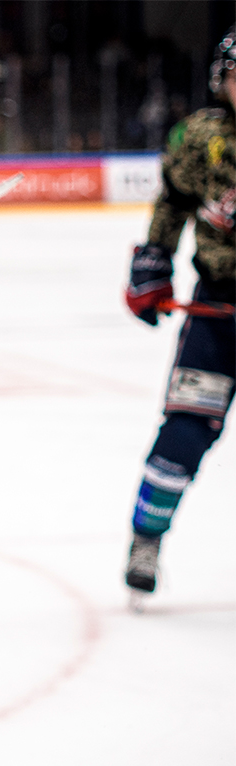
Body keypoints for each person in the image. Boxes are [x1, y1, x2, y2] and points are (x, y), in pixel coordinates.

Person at [121, 26, 234, 601]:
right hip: (218, 312)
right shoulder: (201, 138)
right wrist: (153, 262)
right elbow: (172, 203)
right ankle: (146, 540)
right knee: (185, 433)